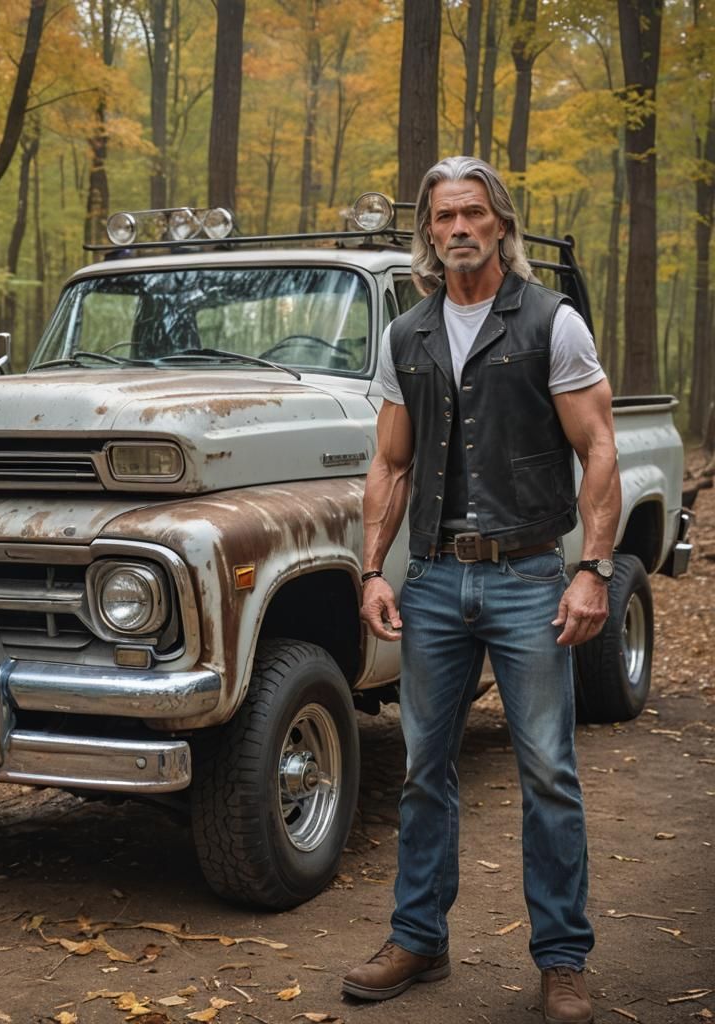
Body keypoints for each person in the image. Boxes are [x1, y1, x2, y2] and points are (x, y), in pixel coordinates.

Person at [342, 156, 620, 1024]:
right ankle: (418, 938)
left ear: (501, 224)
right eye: (443, 217)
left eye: (474, 213)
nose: (458, 228)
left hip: (530, 575)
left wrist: (593, 568)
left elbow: (600, 449)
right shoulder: (408, 335)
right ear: (428, 233)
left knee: (548, 772)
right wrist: (370, 569)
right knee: (426, 771)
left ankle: (562, 959)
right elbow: (389, 463)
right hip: (430, 583)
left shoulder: (551, 323)